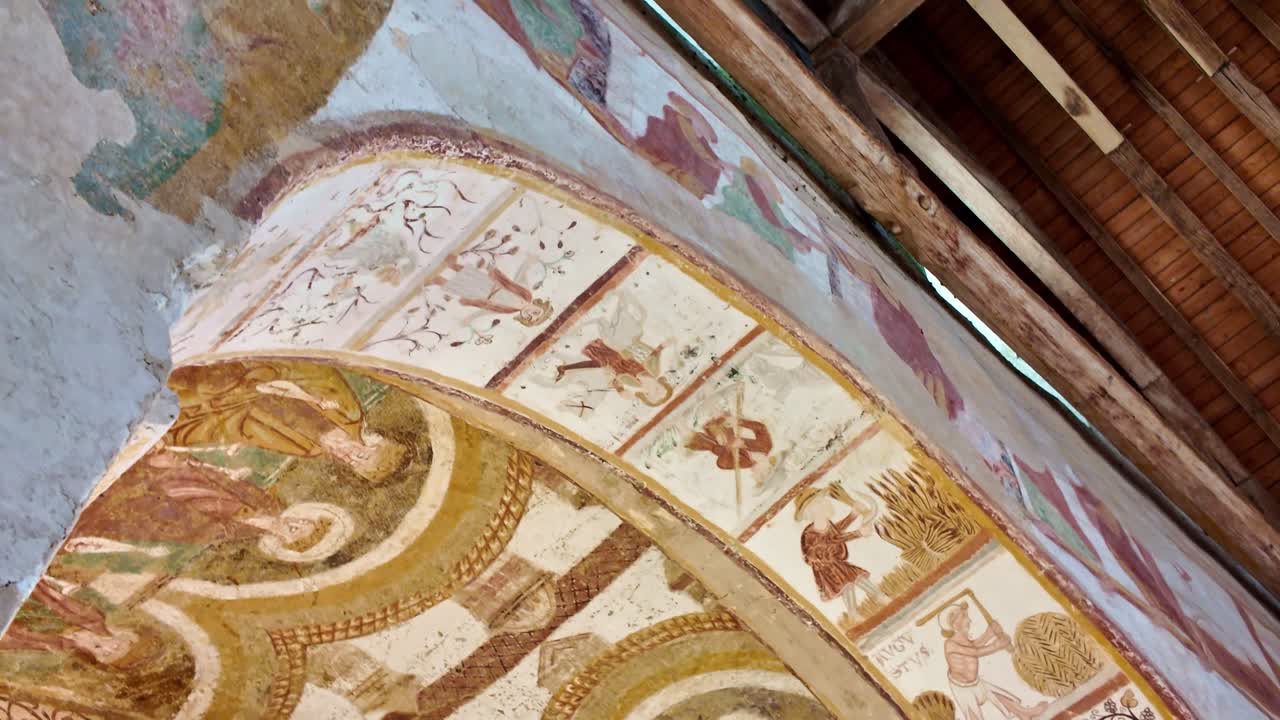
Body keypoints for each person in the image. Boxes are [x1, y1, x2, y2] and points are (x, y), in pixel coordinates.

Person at [167, 361, 406, 483]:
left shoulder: (309, 449)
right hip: (260, 374)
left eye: (353, 465)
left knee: (176, 432)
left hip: (237, 403)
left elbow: (250, 429)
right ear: (372, 441)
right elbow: (310, 373)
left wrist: (230, 435)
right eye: (360, 456)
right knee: (205, 388)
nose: (349, 458)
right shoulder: (347, 413)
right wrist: (259, 386)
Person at [554, 294, 673, 406]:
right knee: (609, 328)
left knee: (590, 353)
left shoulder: (633, 385)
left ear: (646, 394)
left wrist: (620, 390)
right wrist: (662, 346)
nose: (656, 389)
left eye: (655, 394)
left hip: (608, 360)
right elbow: (653, 356)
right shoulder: (654, 371)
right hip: (619, 348)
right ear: (660, 382)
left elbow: (616, 382)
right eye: (660, 388)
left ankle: (565, 364)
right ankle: (612, 306)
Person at [794, 485, 886, 622]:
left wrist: (853, 515)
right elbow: (832, 540)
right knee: (847, 585)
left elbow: (837, 531)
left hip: (834, 562)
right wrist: (857, 533)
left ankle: (879, 597)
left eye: (823, 500)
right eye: (819, 502)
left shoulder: (825, 523)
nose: (825, 503)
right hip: (826, 567)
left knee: (857, 577)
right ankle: (854, 614)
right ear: (811, 510)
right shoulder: (811, 533)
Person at [940, 603, 1047, 720]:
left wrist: (989, 633)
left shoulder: (963, 639)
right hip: (963, 689)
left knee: (1000, 696)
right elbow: (975, 652)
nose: (969, 620)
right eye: (964, 617)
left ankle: (1023, 713)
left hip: (976, 682)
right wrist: (997, 645)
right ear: (955, 624)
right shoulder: (950, 645)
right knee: (973, 715)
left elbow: (974, 646)